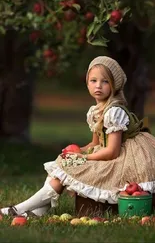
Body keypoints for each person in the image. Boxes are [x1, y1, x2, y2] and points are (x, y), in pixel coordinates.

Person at [1, 56, 155, 217]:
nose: (98, 86)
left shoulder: (114, 112)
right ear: (87, 83)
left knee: (73, 166)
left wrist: (84, 158)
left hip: (126, 158)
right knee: (64, 162)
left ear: (114, 85)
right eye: (93, 80)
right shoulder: (96, 111)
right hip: (108, 152)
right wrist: (79, 151)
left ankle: (19, 209)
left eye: (105, 81)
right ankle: (37, 211)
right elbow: (95, 143)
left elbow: (112, 152)